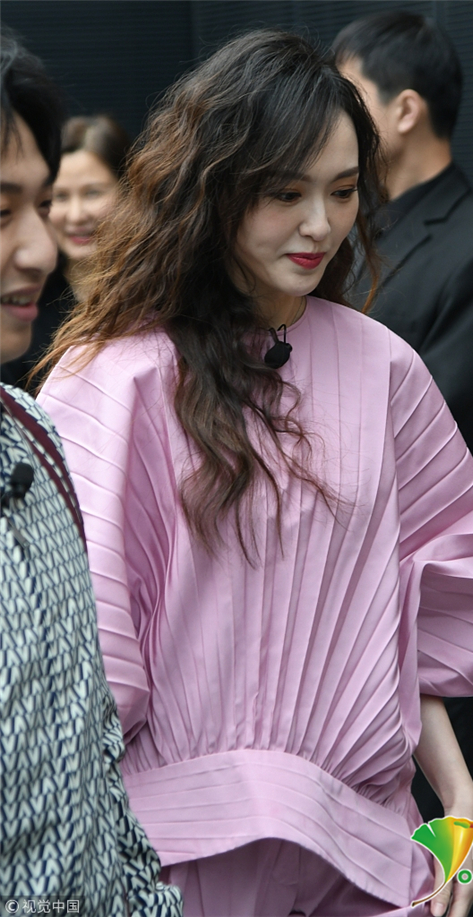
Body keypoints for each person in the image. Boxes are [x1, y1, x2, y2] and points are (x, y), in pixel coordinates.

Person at [38, 30, 473, 917]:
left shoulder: (385, 369)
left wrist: (461, 797)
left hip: (361, 849)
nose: (321, 224)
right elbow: (76, 653)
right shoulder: (116, 378)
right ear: (214, 188)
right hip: (174, 851)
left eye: (342, 191)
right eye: (285, 192)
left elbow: (421, 592)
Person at [333, 12, 473, 917]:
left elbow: (432, 437)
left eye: (350, 96)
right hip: (348, 599)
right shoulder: (348, 237)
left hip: (448, 603)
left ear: (406, 109)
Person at [0, 30, 182, 916]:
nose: (41, 245)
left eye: (43, 204)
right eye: (2, 210)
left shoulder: (34, 438)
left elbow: (96, 768)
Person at [1, 114, 130, 389]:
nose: (76, 215)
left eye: (92, 193)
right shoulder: (23, 301)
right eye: (59, 197)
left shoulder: (161, 295)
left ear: (129, 192)